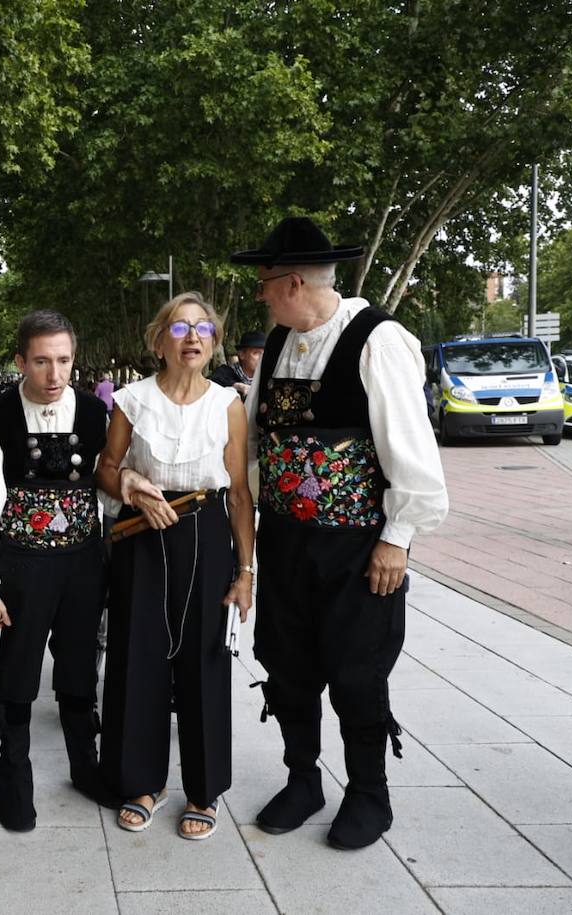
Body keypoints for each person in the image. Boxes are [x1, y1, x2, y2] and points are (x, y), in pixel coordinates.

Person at [232, 216, 447, 850]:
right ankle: (304, 779)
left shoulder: (378, 341)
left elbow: (411, 451)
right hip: (287, 540)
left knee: (356, 673)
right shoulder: (277, 342)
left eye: (266, 284)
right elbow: (248, 444)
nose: (262, 295)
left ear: (293, 282)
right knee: (289, 665)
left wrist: (398, 536)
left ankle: (369, 793)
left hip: (358, 546)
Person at [94, 292, 255, 840]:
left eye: (203, 328)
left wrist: (245, 573)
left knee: (204, 660)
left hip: (207, 535)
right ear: (158, 340)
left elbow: (239, 494)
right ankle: (141, 781)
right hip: (143, 533)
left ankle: (204, 790)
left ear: (213, 341)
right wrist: (132, 487)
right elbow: (106, 469)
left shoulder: (227, 404)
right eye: (180, 328)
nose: (192, 337)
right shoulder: (131, 401)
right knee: (137, 654)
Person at [0, 310, 111, 832]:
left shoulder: (95, 414)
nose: (54, 374)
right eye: (41, 361)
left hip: (83, 564)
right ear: (20, 360)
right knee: (19, 670)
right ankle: (13, 776)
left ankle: (85, 766)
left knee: (77, 666)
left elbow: (108, 491)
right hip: (21, 566)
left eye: (64, 360)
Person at [210, 329, 266, 399]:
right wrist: (237, 386)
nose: (262, 357)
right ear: (242, 354)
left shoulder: (266, 379)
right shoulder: (225, 373)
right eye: (256, 353)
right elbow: (211, 382)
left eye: (265, 353)